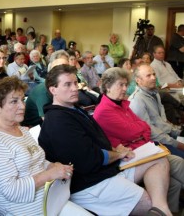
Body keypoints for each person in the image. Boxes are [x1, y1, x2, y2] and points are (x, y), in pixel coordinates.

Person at [39, 64, 172, 216]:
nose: (74, 88)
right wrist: (118, 154)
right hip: (89, 183)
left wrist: (115, 151)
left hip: (105, 169)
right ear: (53, 90)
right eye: (67, 85)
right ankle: (159, 210)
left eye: (75, 83)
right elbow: (89, 159)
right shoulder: (58, 121)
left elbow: (97, 144)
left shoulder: (73, 109)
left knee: (159, 159)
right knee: (146, 203)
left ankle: (161, 209)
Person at [0, 76, 91, 216]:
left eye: (22, 99)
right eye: (14, 101)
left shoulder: (22, 130)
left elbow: (38, 160)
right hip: (23, 210)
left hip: (50, 200)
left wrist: (53, 166)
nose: (22, 106)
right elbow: (12, 191)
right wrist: (50, 174)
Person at [93, 67, 184, 214]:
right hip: (129, 156)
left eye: (125, 84)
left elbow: (145, 129)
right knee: (176, 165)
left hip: (144, 148)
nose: (125, 89)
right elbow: (132, 132)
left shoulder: (122, 104)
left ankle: (171, 212)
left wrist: (140, 132)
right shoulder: (104, 111)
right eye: (120, 85)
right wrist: (139, 131)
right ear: (108, 86)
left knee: (175, 181)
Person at [129, 64, 184, 158]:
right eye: (148, 75)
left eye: (154, 74)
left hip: (166, 136)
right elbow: (150, 132)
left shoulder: (154, 93)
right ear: (138, 80)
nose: (154, 77)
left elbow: (162, 122)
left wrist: (178, 132)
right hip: (155, 142)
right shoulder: (137, 100)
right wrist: (177, 144)